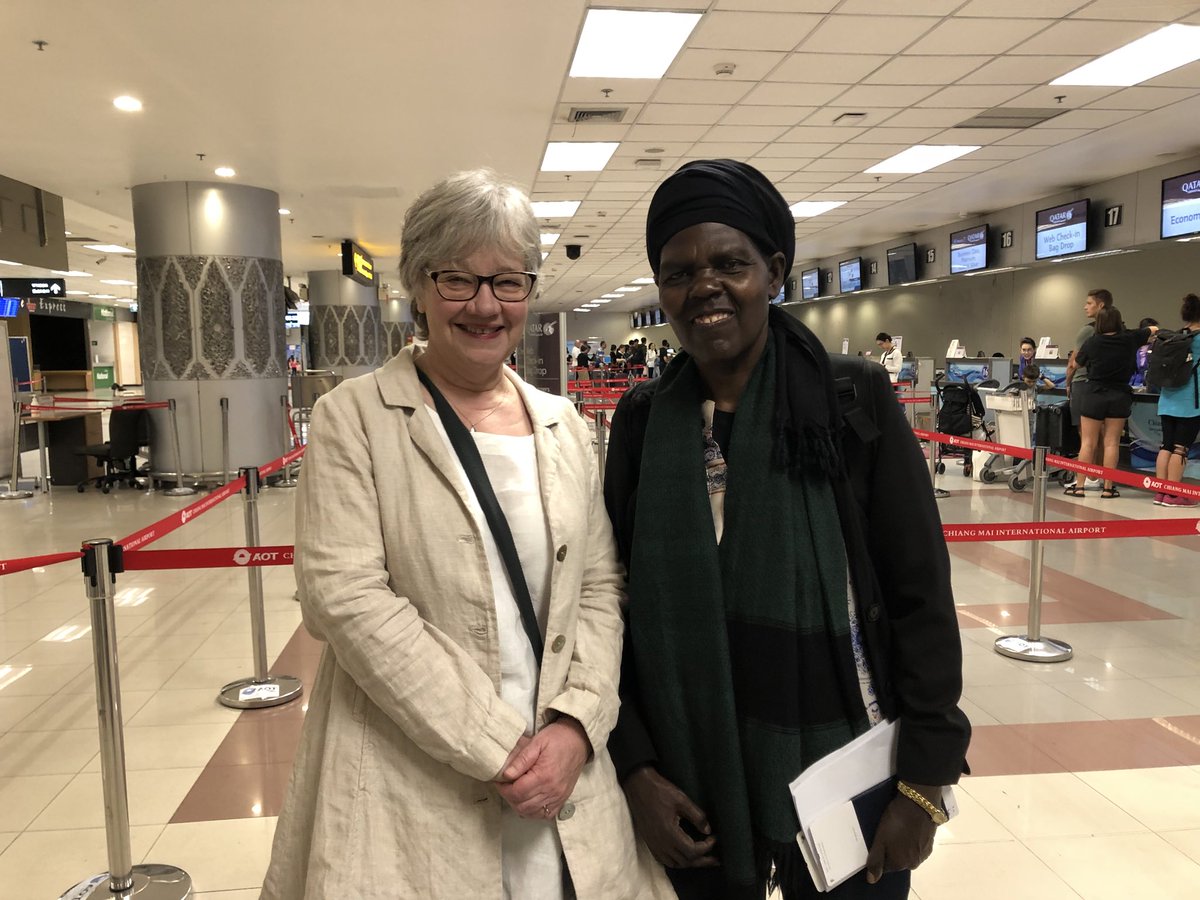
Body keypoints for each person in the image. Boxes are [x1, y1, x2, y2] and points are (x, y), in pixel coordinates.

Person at [262, 169, 673, 899]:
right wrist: (499, 748)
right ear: (418, 286)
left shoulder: (564, 426)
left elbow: (603, 587)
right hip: (412, 775)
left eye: (508, 282)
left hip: (565, 773)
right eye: (459, 279)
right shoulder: (354, 417)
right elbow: (344, 598)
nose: (486, 304)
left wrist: (578, 726)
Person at [604, 159, 970, 900]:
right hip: (691, 771)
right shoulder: (644, 422)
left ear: (774, 271)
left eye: (729, 263)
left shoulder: (848, 400)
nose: (703, 286)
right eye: (678, 273)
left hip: (844, 762)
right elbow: (610, 604)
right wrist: (636, 768)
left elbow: (917, 590)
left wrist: (924, 782)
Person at [1065, 306, 1156, 500]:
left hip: (1094, 394)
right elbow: (1153, 330)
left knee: (1088, 443)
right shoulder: (1129, 339)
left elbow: (1076, 364)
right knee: (1111, 443)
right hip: (1119, 395)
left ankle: (1080, 486)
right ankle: (1108, 487)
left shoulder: (1092, 342)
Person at [1154, 294, 1200, 507]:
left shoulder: (1174, 337)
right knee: (1181, 448)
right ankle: (1174, 495)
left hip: (1167, 398)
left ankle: (1161, 493)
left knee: (1166, 445)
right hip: (1191, 401)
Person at [1065, 289, 1113, 490]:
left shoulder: (1087, 331)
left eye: (1089, 303)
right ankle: (1101, 476)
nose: (1085, 307)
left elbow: (1074, 361)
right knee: (1104, 435)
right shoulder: (1117, 331)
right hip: (1106, 386)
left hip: (1083, 384)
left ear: (1100, 305)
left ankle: (1088, 477)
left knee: (1086, 436)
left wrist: (1068, 382)